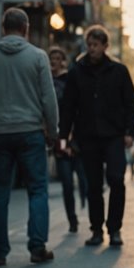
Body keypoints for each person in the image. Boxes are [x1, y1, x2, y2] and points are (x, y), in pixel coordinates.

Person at [0, 8, 59, 265]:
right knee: (37, 190)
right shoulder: (38, 57)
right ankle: (37, 247)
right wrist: (52, 131)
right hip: (31, 132)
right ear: (26, 28)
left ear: (3, 27)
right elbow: (48, 98)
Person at [60, 24, 134, 248]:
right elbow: (68, 107)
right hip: (88, 136)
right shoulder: (77, 72)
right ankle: (96, 229)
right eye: (90, 45)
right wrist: (64, 138)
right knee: (93, 185)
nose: (92, 49)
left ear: (105, 46)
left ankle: (115, 229)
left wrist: (129, 131)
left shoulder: (119, 71)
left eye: (96, 45)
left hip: (114, 135)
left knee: (116, 179)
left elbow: (131, 103)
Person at [49, 46, 88, 233]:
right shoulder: (45, 81)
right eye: (51, 58)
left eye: (58, 58)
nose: (54, 62)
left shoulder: (70, 80)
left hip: (75, 136)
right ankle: (72, 219)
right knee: (66, 181)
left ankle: (86, 204)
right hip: (58, 137)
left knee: (82, 175)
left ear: (63, 60)